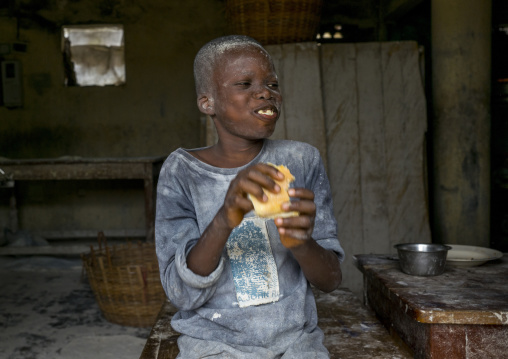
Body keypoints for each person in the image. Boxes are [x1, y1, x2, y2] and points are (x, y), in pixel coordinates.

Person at [155, 35, 345, 358]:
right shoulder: (182, 172)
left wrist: (299, 241)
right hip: (214, 344)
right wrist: (224, 218)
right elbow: (181, 293)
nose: (264, 92)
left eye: (272, 83)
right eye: (244, 83)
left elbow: (330, 280)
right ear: (207, 103)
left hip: (295, 342)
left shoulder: (301, 161)